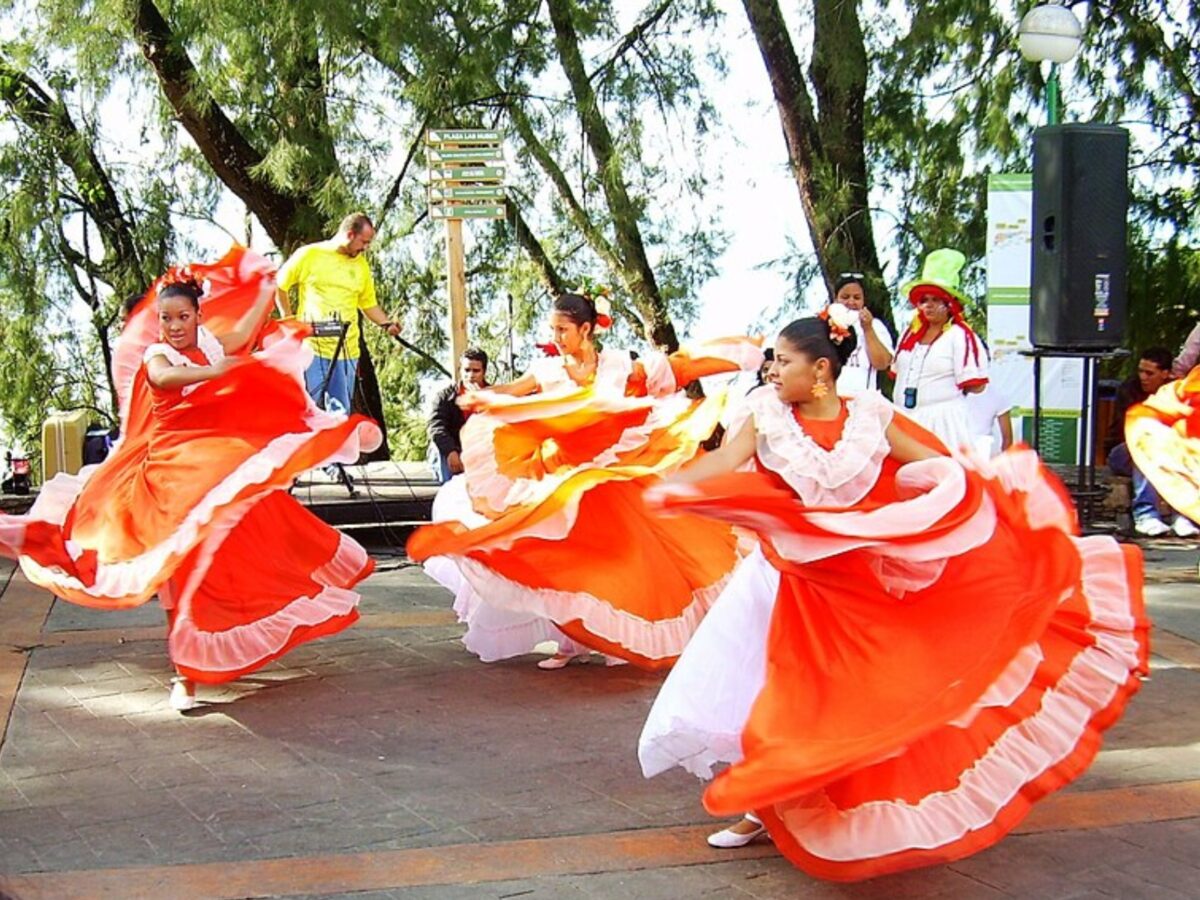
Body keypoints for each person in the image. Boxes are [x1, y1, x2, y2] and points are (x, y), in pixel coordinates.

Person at [637, 314, 1148, 880]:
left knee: (849, 698)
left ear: (821, 369)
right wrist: (678, 485)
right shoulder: (763, 414)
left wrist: (957, 494)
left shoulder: (870, 416)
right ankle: (762, 804)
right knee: (760, 690)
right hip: (778, 579)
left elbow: (935, 464)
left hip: (853, 581)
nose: (772, 370)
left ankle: (791, 800)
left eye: (783, 361)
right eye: (772, 361)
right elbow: (724, 462)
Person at [3, 247, 382, 710]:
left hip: (208, 464)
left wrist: (265, 286)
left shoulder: (212, 342)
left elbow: (242, 333)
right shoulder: (158, 354)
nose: (175, 325)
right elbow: (164, 378)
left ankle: (202, 653)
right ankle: (186, 669)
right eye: (166, 318)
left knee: (239, 542)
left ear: (199, 316)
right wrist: (213, 371)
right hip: (167, 474)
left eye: (183, 317)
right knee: (178, 565)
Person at [406, 291, 763, 671]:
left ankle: (610, 640)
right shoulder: (547, 370)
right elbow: (510, 392)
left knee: (622, 558)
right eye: (552, 330)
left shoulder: (618, 366)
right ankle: (569, 642)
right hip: (561, 477)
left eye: (563, 329)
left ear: (587, 329)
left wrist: (735, 355)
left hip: (612, 474)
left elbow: (677, 369)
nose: (556, 337)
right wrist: (482, 397)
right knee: (562, 559)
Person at [275, 212, 402, 414]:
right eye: (364, 242)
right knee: (308, 411)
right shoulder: (309, 255)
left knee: (340, 415)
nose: (365, 248)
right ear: (350, 234)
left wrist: (387, 324)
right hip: (312, 348)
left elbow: (369, 304)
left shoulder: (361, 266)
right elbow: (279, 285)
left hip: (347, 351)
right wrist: (290, 321)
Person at [891, 248, 988, 448]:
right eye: (924, 300)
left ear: (950, 304)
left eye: (935, 300)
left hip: (944, 422)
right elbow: (896, 372)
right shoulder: (909, 334)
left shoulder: (960, 335)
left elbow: (977, 386)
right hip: (905, 418)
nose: (929, 305)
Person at [1108, 347, 1197, 537]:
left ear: (1165, 374)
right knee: (1148, 448)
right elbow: (1132, 431)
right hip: (1124, 452)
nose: (1143, 377)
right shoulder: (1129, 389)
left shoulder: (1177, 391)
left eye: (1149, 373)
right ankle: (1145, 515)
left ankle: (1183, 516)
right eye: (1140, 371)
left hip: (1168, 451)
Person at [428, 348, 491, 483]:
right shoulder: (445, 397)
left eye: (476, 371)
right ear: (460, 371)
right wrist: (451, 451)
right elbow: (436, 427)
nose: (471, 375)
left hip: (481, 452)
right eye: (467, 370)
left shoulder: (494, 397)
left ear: (484, 372)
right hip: (453, 450)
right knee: (437, 447)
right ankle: (447, 490)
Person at [830, 273, 894, 395]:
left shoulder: (875, 325)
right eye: (845, 297)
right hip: (830, 397)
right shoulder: (825, 323)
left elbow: (882, 364)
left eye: (857, 297)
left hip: (863, 396)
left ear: (864, 301)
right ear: (836, 299)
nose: (851, 302)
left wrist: (868, 329)